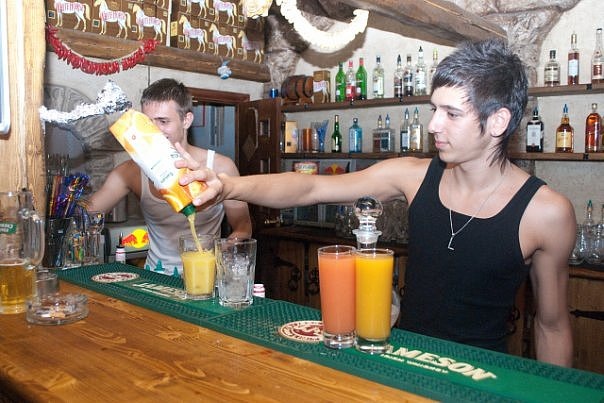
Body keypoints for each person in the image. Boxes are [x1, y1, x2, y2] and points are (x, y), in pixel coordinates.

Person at [176, 39, 575, 367]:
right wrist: (228, 187)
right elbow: (310, 189)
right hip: (400, 361)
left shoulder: (546, 212)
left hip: (482, 376)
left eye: (452, 114)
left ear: (498, 122)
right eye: (434, 109)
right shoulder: (414, 176)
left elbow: (552, 326)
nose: (434, 125)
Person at [88, 78, 252, 276]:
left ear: (186, 120)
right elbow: (89, 212)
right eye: (148, 123)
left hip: (205, 276)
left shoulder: (220, 166)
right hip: (154, 279)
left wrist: (228, 247)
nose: (154, 131)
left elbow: (243, 225)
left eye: (163, 121)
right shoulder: (131, 171)